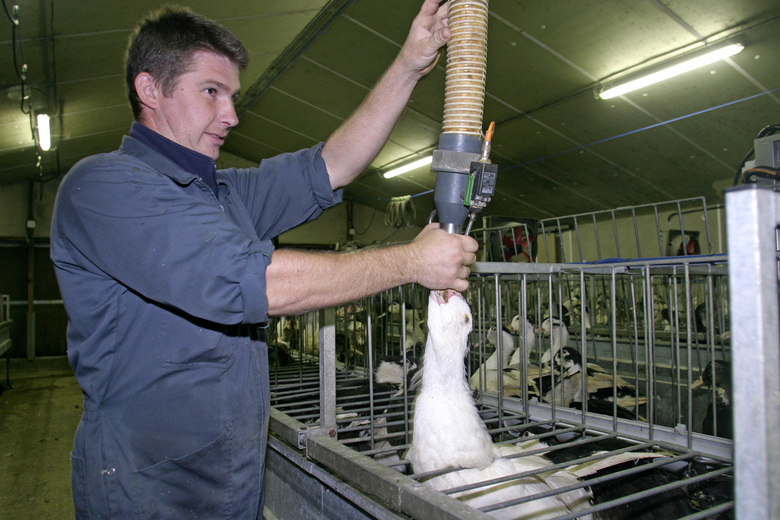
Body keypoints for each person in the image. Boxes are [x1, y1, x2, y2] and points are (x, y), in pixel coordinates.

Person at [50, 1, 478, 518]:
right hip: (147, 486)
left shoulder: (225, 194)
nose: (231, 115)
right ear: (150, 90)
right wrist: (410, 262)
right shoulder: (103, 188)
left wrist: (409, 64)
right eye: (211, 91)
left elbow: (333, 165)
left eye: (232, 96)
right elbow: (255, 283)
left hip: (231, 475)